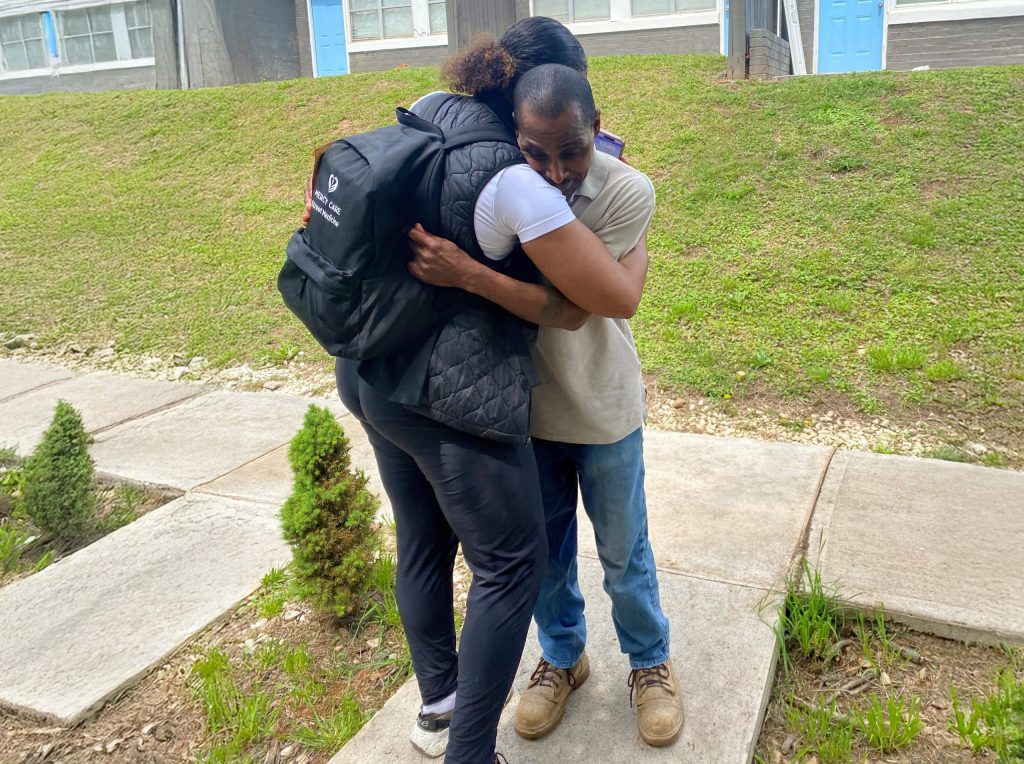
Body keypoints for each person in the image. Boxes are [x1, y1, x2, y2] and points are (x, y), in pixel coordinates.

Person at [305, 19, 650, 764]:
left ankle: (437, 709)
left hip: (368, 372)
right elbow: (594, 300)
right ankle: (468, 753)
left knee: (423, 539)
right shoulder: (516, 180)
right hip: (443, 394)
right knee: (513, 562)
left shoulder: (428, 109)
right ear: (532, 95)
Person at [407, 64, 683, 748]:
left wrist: (470, 273)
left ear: (597, 127)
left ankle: (650, 664)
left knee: (625, 551)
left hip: (602, 405)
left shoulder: (626, 191)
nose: (556, 172)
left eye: (572, 151)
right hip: (526, 412)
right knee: (545, 557)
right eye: (537, 153)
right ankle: (563, 657)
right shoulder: (501, 178)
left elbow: (578, 305)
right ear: (514, 136)